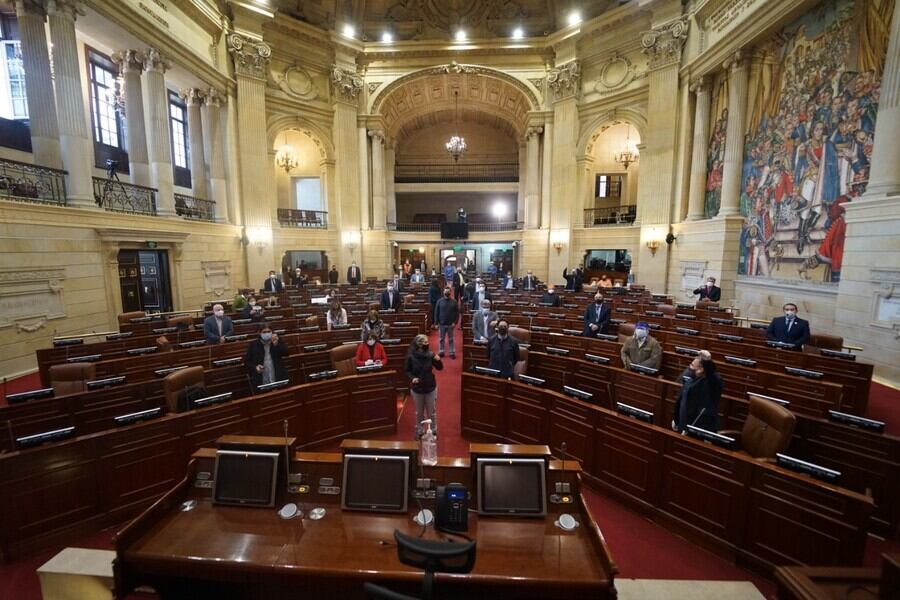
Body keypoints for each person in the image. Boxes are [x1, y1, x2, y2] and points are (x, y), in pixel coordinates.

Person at [672, 350, 723, 433]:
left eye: (693, 367)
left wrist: (708, 361)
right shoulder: (692, 379)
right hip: (684, 424)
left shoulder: (711, 383)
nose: (690, 369)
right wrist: (676, 419)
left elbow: (713, 377)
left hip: (699, 427)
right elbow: (681, 400)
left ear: (702, 369)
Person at [405, 334, 443, 439]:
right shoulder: (411, 356)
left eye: (427, 342)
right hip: (417, 389)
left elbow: (440, 368)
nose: (427, 344)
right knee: (419, 413)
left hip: (430, 387)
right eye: (424, 342)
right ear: (418, 344)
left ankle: (434, 430)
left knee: (431, 412)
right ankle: (419, 430)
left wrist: (438, 360)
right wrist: (412, 378)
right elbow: (407, 371)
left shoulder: (431, 354)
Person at [245, 325, 288, 390]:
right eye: (264, 332)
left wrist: (276, 344)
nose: (267, 333)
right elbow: (247, 362)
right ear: (260, 333)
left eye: (268, 331)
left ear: (272, 332)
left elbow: (286, 353)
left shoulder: (277, 341)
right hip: (262, 378)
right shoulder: (253, 345)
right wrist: (255, 367)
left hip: (277, 375)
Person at [434, 287, 459, 358]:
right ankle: (441, 351)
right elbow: (436, 312)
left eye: (448, 292)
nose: (446, 293)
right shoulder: (439, 301)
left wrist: (455, 322)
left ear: (450, 292)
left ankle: (452, 352)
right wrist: (436, 323)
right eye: (445, 292)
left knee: (451, 339)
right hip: (441, 323)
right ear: (443, 292)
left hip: (451, 324)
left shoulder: (454, 301)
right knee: (441, 339)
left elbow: (457, 313)